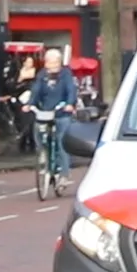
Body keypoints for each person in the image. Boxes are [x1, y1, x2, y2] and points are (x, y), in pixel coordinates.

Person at [25, 48, 80, 184]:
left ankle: (64, 175)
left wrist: (69, 103)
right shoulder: (42, 75)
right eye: (50, 62)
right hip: (45, 112)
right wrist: (29, 104)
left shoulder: (66, 74)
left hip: (61, 113)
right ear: (46, 63)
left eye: (56, 62)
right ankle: (43, 157)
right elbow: (36, 90)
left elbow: (70, 89)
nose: (53, 65)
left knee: (61, 142)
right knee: (38, 132)